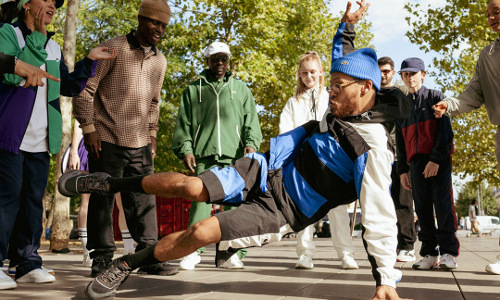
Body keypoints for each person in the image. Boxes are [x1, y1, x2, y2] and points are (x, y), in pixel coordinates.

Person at [60, 47, 411, 300]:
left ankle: (126, 264)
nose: (330, 92)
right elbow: (344, 54)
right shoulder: (343, 107)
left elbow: (380, 215)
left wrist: (385, 278)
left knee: (201, 230)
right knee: (191, 186)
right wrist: (347, 26)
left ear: (365, 88)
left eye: (337, 86)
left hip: (283, 210)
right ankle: (110, 183)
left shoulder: (375, 149)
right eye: (330, 84)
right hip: (265, 167)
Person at [0, 0, 116, 290]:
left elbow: (68, 85)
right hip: (9, 135)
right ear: (26, 5)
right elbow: (11, 73)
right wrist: (38, 35)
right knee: (5, 200)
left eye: (56, 2)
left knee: (31, 203)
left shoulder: (53, 47)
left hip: (41, 140)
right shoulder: (7, 33)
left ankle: (26, 262)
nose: (52, 4)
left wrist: (89, 60)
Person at [72, 0, 179, 278]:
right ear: (141, 19)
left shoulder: (160, 60)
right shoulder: (113, 49)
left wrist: (153, 133)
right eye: (155, 22)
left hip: (141, 141)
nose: (159, 29)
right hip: (106, 136)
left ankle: (148, 257)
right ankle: (101, 258)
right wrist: (88, 128)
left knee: (143, 199)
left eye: (164, 25)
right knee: (102, 199)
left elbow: (155, 102)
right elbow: (85, 90)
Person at [331, 0, 416, 263]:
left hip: (382, 154)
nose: (384, 76)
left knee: (386, 204)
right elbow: (343, 63)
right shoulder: (345, 92)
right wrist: (347, 25)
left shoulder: (395, 101)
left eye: (387, 73)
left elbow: (404, 133)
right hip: (345, 156)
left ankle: (397, 254)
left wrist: (405, 166)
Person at [172, 41, 262, 270]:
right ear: (207, 61)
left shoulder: (241, 89)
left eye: (224, 59)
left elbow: (251, 120)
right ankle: (191, 251)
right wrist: (187, 149)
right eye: (215, 59)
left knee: (233, 207)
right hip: (204, 155)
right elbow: (183, 124)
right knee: (201, 204)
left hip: (234, 156)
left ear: (229, 61)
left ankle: (230, 253)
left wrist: (250, 145)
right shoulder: (193, 90)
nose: (220, 63)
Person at [432, 0, 500, 275]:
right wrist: (449, 104)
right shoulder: (488, 55)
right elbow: (474, 93)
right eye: (488, 14)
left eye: (496, 11)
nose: (491, 17)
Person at [279, 51, 358, 270]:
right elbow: (285, 132)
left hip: (331, 163)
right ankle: (304, 254)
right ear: (299, 74)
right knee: (304, 209)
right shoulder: (293, 103)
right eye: (304, 73)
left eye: (313, 72)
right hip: (304, 165)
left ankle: (346, 254)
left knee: (338, 210)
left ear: (321, 72)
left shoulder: (331, 97)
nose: (309, 76)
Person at [395, 57, 459, 270]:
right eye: (404, 74)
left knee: (443, 207)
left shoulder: (436, 97)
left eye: (412, 73)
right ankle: (430, 254)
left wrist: (435, 160)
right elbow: (400, 142)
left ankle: (449, 253)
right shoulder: (402, 105)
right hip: (415, 163)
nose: (408, 78)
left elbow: (445, 133)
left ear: (423, 74)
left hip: (437, 161)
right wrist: (402, 169)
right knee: (421, 209)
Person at [67, 121, 136, 268]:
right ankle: (87, 250)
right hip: (91, 143)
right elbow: (79, 124)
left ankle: (129, 248)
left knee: (121, 199)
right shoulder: (88, 99)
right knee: (87, 199)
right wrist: (74, 151)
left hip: (116, 143)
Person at [377, 56, 416, 262]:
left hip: (400, 154)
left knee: (402, 201)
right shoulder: (371, 94)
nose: (383, 74)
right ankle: (388, 245)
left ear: (392, 72)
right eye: (380, 71)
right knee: (381, 202)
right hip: (377, 155)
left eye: (386, 71)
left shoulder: (402, 94)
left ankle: (407, 245)